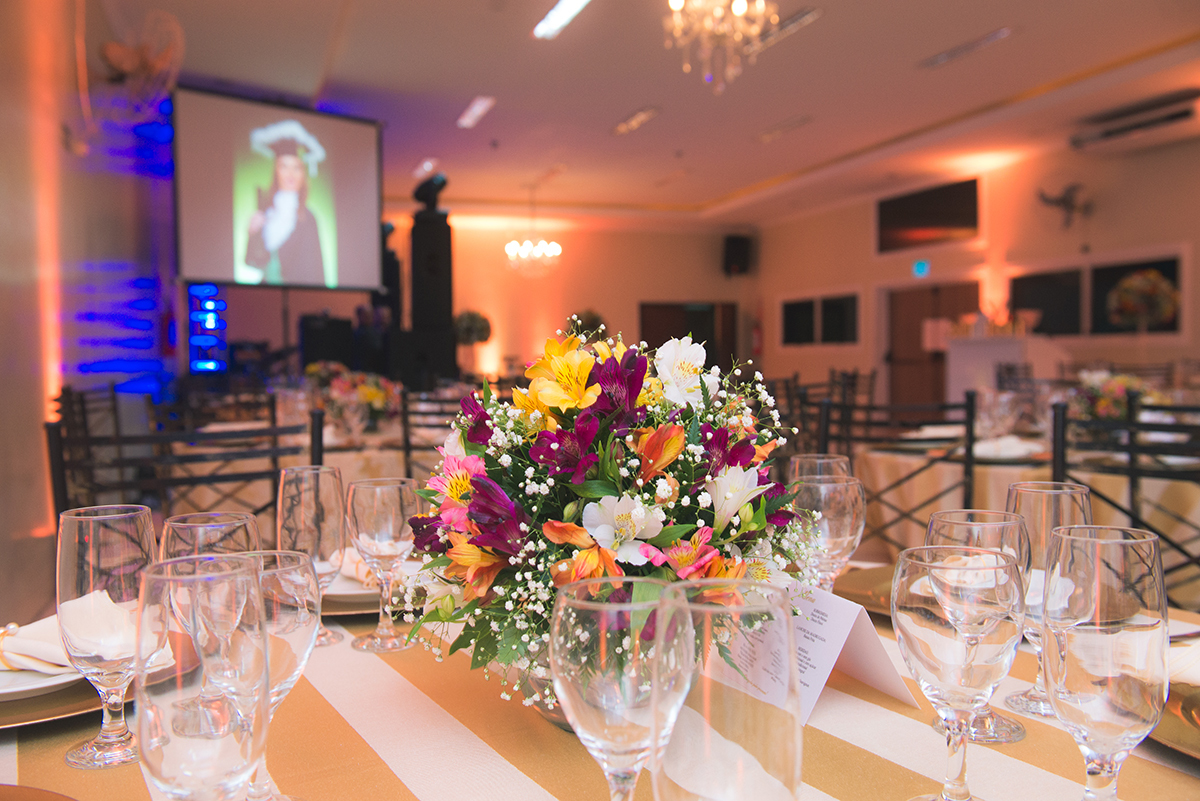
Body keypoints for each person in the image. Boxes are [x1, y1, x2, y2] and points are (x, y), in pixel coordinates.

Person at [245, 120, 327, 286]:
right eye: (284, 166)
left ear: (303, 173)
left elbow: (313, 272)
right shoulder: (266, 212)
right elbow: (253, 262)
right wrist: (252, 234)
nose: (290, 174)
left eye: (296, 167)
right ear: (276, 170)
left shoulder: (308, 219)